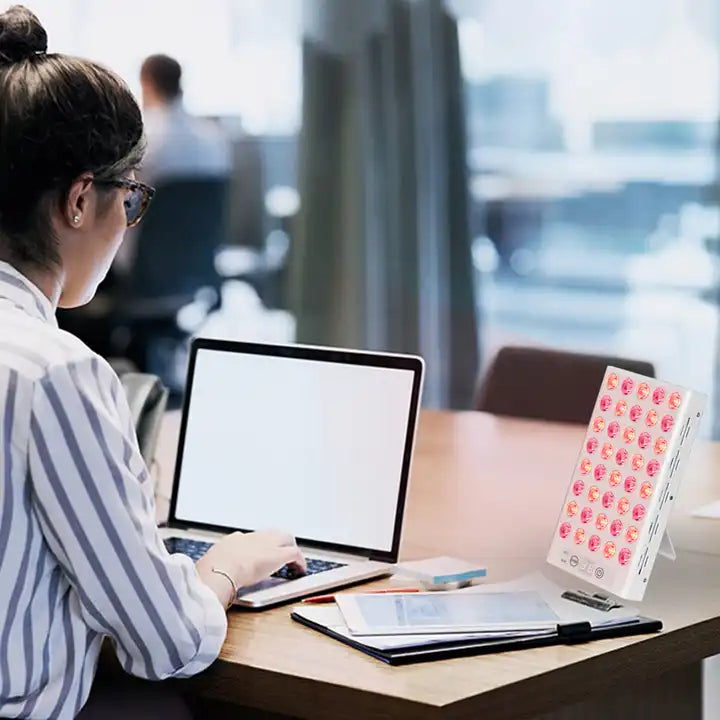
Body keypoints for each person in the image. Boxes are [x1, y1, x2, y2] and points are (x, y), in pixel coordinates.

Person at [0, 6, 304, 719]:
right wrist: (225, 567)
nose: (129, 215)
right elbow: (167, 642)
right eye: (129, 196)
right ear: (80, 199)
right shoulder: (50, 373)